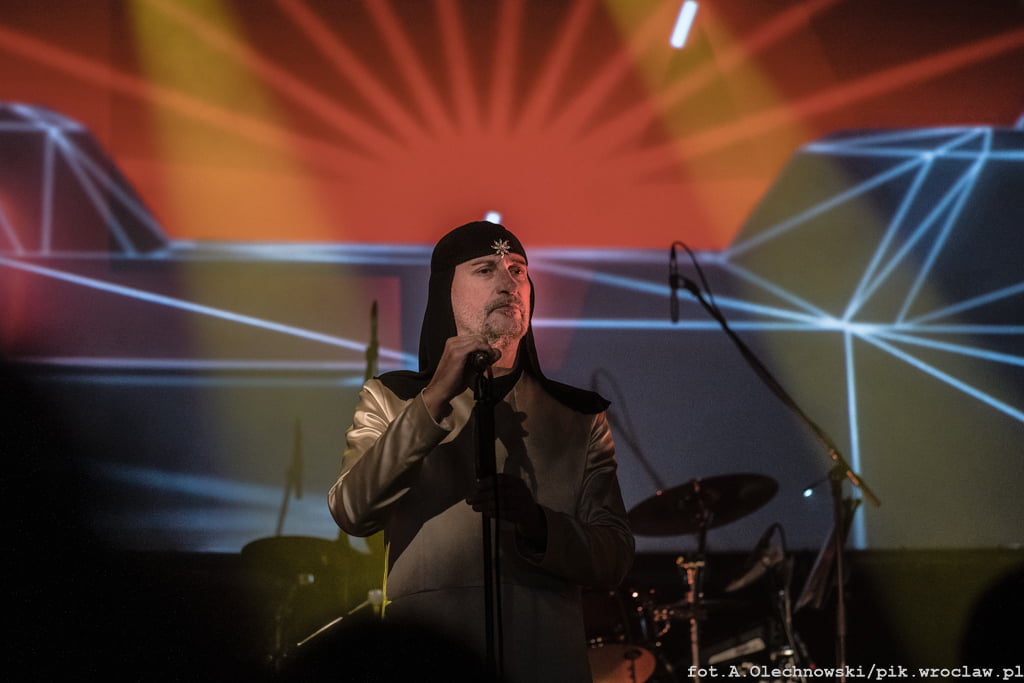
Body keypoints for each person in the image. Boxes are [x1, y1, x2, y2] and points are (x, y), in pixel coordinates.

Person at [328, 221, 635, 683]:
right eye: (485, 268)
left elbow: (615, 556)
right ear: (445, 293)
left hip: (545, 660)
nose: (508, 282)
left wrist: (538, 523)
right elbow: (351, 510)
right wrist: (432, 401)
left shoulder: (577, 416)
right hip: (426, 657)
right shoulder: (390, 399)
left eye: (517, 270)